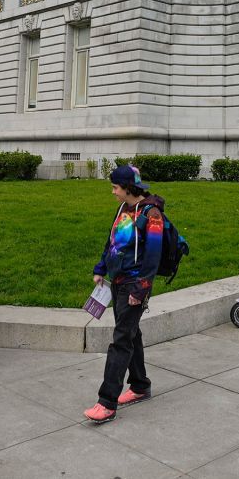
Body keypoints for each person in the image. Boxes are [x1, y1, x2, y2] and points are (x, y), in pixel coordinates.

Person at [85, 164, 165, 424]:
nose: (112, 192)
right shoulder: (123, 209)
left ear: (129, 188)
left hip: (135, 285)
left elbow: (153, 257)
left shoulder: (152, 215)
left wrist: (141, 289)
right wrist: (101, 268)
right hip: (118, 282)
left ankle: (106, 402)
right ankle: (140, 385)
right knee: (131, 333)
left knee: (121, 340)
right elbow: (112, 242)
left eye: (115, 187)